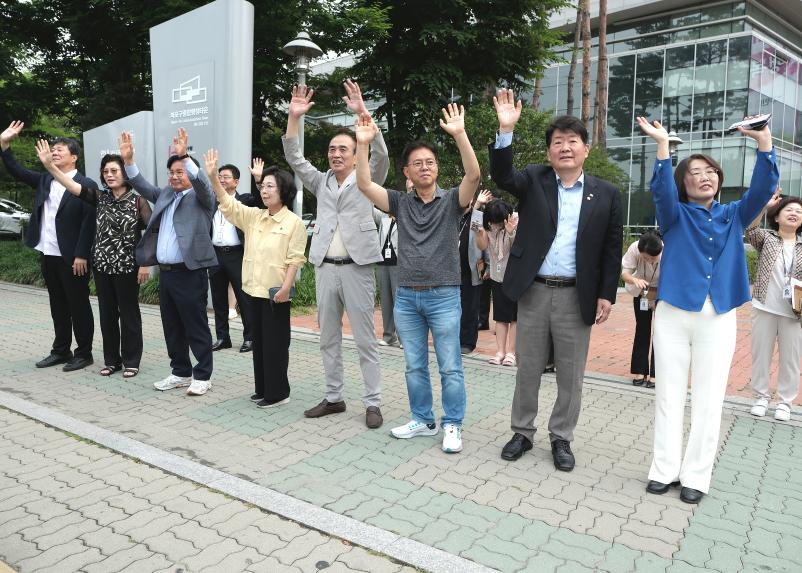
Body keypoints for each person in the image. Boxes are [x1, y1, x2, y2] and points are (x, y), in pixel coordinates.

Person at [636, 115, 777, 504]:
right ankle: (663, 469)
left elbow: (764, 188)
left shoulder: (734, 215)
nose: (704, 177)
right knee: (667, 393)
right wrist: (663, 147)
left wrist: (763, 140)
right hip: (674, 313)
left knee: (710, 397)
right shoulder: (674, 215)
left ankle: (697, 475)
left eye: (710, 172)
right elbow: (661, 192)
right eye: (694, 173)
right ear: (684, 182)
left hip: (718, 316)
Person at [490, 90, 623, 472]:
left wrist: (606, 295)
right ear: (549, 151)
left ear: (585, 149)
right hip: (533, 291)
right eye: (557, 142)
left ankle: (561, 437)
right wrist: (505, 130)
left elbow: (611, 249)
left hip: (574, 295)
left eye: (572, 142)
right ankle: (522, 432)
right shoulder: (534, 179)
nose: (564, 148)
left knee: (571, 373)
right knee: (527, 366)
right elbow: (502, 175)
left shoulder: (607, 194)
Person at [354, 103, 481, 454]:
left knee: (451, 366)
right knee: (414, 365)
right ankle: (423, 420)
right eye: (417, 163)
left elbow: (473, 176)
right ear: (407, 172)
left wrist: (459, 134)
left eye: (430, 162)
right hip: (408, 296)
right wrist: (363, 143)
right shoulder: (399, 202)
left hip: (444, 295)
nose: (425, 167)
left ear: (437, 168)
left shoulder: (453, 201)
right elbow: (364, 183)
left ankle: (452, 424)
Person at [283, 80, 389, 429]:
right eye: (332, 149)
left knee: (364, 341)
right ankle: (333, 398)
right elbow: (294, 158)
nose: (337, 154)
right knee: (327, 338)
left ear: (356, 151)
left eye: (344, 148)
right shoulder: (320, 181)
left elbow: (382, 155)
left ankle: (372, 402)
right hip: (325, 269)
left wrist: (362, 112)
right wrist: (294, 119)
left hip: (358, 268)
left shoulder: (367, 178)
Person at [35, 143, 151, 378]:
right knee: (107, 315)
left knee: (129, 315)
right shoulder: (100, 198)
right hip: (102, 267)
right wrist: (50, 166)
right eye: (106, 172)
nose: (109, 175)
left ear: (125, 174)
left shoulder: (138, 201)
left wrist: (145, 264)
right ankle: (111, 361)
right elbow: (71, 185)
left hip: (127, 268)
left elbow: (150, 234)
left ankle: (131, 361)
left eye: (114, 171)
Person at [120, 128, 217, 397]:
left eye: (180, 171)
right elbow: (142, 185)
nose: (174, 176)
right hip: (167, 274)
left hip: (190, 272)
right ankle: (180, 372)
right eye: (171, 172)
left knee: (195, 325)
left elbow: (203, 185)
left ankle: (203, 375)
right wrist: (129, 162)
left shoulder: (202, 198)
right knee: (172, 326)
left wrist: (184, 156)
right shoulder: (165, 194)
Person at [205, 150, 306, 408]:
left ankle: (278, 393)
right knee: (259, 345)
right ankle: (262, 389)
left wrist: (286, 288)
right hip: (253, 290)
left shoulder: (293, 223)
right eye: (263, 186)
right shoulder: (255, 216)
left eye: (270, 186)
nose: (264, 190)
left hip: (276, 293)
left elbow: (295, 259)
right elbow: (230, 206)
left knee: (275, 346)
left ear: (283, 191)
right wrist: (214, 179)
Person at [0, 121, 97, 371]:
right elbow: (17, 171)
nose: (54, 152)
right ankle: (61, 350)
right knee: (58, 305)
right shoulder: (45, 180)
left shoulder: (86, 185)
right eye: (52, 150)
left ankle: (84, 353)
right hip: (48, 253)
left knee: (79, 306)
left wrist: (81, 254)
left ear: (73, 157)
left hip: (73, 258)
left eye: (60, 150)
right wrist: (4, 144)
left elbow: (89, 223)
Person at [746, 192, 802, 422]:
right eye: (789, 210)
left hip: (794, 312)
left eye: (799, 212)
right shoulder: (767, 238)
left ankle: (785, 402)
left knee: (791, 358)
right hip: (764, 307)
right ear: (777, 217)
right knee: (761, 355)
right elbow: (749, 230)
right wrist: (763, 205)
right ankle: (760, 397)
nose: (794, 214)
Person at [208, 162, 254, 354]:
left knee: (244, 298)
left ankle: (250, 337)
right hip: (215, 254)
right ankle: (222, 337)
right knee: (218, 298)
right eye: (219, 176)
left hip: (237, 254)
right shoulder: (211, 202)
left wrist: (258, 179)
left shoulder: (244, 200)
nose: (222, 180)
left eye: (226, 177)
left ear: (236, 182)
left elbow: (259, 201)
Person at [475, 199, 518, 366]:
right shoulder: (487, 225)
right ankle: (500, 351)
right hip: (496, 276)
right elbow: (482, 245)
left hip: (514, 277)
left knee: (514, 317)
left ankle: (511, 353)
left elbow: (518, 250)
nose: (497, 226)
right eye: (494, 222)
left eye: (499, 222)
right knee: (500, 317)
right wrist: (479, 234)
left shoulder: (514, 221)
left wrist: (511, 232)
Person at [620, 230, 663, 388]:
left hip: (663, 292)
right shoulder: (634, 248)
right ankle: (640, 370)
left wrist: (658, 298)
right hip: (642, 291)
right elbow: (625, 273)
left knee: (660, 332)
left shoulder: (669, 250)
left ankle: (655, 373)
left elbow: (674, 278)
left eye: (653, 258)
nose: (650, 261)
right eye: (646, 258)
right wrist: (634, 279)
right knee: (642, 329)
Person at [460, 189, 492, 355]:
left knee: (470, 307)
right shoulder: (453, 217)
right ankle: (455, 340)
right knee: (454, 308)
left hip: (471, 269)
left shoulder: (475, 218)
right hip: (452, 270)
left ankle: (467, 342)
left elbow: (482, 241)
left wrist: (488, 265)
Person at [374, 208, 400, 347]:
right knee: (385, 301)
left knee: (399, 301)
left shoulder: (404, 216)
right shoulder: (383, 217)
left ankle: (403, 338)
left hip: (398, 264)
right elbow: (369, 208)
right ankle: (389, 336)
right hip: (383, 263)